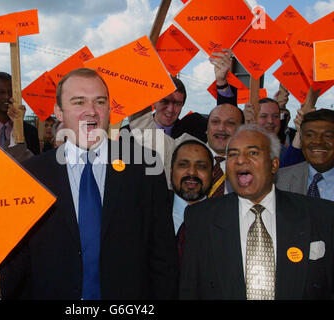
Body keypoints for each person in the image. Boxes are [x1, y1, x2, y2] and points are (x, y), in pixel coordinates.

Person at [0, 68, 178, 300]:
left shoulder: (145, 169)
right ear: (59, 112)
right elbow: (21, 255)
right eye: (78, 102)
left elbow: (163, 258)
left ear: (109, 109)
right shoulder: (33, 174)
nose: (91, 112)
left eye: (100, 102)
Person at [179, 124, 334, 299]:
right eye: (233, 154)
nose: (240, 160)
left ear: (274, 164)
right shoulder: (201, 218)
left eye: (252, 153)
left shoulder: (320, 214)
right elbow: (190, 290)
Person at [127, 49, 236, 189]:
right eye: (165, 102)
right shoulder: (128, 135)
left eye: (177, 103)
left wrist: (222, 83)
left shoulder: (195, 129)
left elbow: (225, 120)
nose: (171, 110)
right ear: (153, 102)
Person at [276, 109, 334, 201]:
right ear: (301, 139)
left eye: (328, 136)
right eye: (310, 135)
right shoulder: (279, 180)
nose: (318, 141)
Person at [0, 72, 40, 155]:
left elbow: (34, 164)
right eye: (1, 92)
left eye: (11, 92)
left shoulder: (30, 131)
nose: (7, 96)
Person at [205, 103, 245, 197]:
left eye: (230, 123)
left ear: (242, 131)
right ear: (207, 129)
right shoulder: (188, 159)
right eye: (215, 122)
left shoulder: (248, 167)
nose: (221, 128)